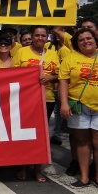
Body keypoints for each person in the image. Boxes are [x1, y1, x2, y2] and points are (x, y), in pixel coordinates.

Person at [12, 25, 59, 183]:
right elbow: (13, 74)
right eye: (37, 35)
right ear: (32, 36)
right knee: (24, 134)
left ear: (47, 37)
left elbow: (59, 75)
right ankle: (22, 166)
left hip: (47, 99)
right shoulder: (21, 52)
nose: (40, 38)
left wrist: (50, 78)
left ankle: (37, 169)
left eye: (43, 35)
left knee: (41, 136)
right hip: (25, 100)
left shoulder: (53, 54)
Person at [59, 28, 98, 188]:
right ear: (76, 43)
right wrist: (64, 103)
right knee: (82, 142)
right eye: (81, 40)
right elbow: (63, 81)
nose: (85, 41)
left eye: (89, 38)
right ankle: (84, 177)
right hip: (78, 106)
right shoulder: (70, 58)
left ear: (95, 40)